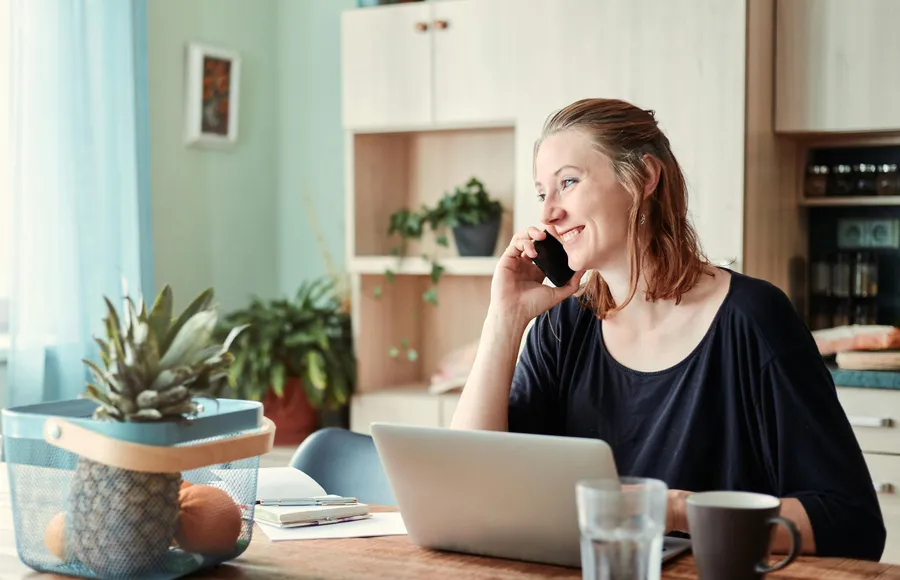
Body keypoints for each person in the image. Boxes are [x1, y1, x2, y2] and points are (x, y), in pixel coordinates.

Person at [450, 97, 885, 561]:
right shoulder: (562, 327)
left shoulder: (754, 319)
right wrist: (506, 317)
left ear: (643, 178)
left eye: (568, 183)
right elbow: (468, 487)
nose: (549, 213)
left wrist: (674, 508)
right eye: (543, 193)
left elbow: (851, 523)